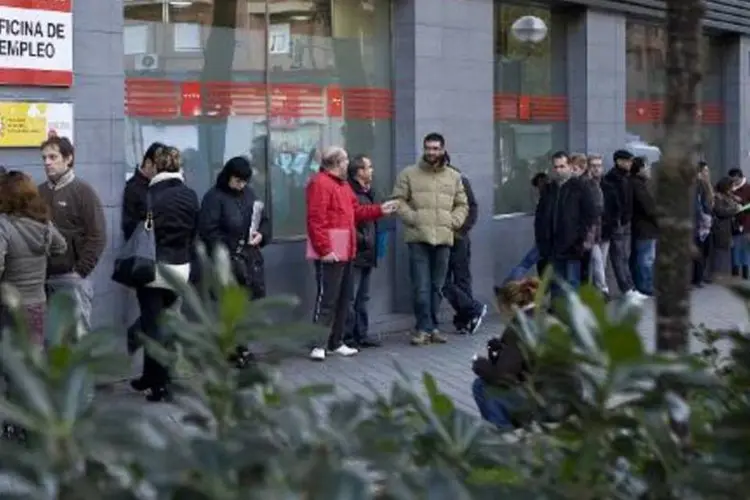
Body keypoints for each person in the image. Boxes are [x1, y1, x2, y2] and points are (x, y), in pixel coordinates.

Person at [306, 146, 397, 361]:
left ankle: (336, 342)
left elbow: (356, 211)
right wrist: (324, 250)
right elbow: (315, 220)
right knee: (327, 298)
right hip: (331, 245)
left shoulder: (343, 185)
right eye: (345, 160)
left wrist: (380, 210)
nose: (349, 163)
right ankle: (318, 344)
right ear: (336, 163)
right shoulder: (320, 183)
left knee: (344, 297)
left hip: (345, 244)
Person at [128, 146, 199, 402]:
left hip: (153, 268)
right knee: (162, 323)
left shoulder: (151, 194)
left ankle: (160, 383)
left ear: (156, 166)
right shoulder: (190, 195)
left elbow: (138, 230)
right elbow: (194, 232)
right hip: (181, 268)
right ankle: (150, 376)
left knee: (153, 326)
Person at [391, 133, 469, 346]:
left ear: (443, 149)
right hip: (418, 238)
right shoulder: (409, 173)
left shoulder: (453, 176)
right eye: (428, 148)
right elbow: (398, 200)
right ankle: (423, 328)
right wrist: (414, 218)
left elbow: (463, 203)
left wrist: (453, 221)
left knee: (437, 286)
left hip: (443, 238)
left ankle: (432, 327)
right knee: (421, 287)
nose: (431, 152)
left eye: (435, 148)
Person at [198, 156, 271, 366]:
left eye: (244, 182)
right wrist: (227, 251)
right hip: (227, 262)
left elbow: (263, 219)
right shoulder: (214, 197)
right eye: (237, 181)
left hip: (249, 260)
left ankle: (242, 347)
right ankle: (233, 351)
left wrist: (261, 235)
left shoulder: (249, 194)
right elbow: (208, 231)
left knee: (247, 308)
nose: (241, 186)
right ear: (228, 177)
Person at [38, 136, 106, 338]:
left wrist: (81, 270)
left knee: (77, 339)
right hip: (44, 279)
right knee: (51, 342)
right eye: (44, 158)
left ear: (68, 159)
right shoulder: (39, 192)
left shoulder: (83, 191)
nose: (47, 162)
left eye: (53, 157)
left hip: (72, 278)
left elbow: (98, 235)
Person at [0, 171, 67, 345]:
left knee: (11, 365)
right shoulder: (43, 223)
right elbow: (61, 247)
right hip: (38, 304)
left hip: (9, 308)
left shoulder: (4, 225)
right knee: (32, 364)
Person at [471, 278, 539, 431]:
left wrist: (479, 364)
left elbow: (503, 376)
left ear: (508, 306)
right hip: (557, 397)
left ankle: (502, 432)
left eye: (501, 309)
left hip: (538, 400)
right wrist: (502, 348)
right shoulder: (543, 315)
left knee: (481, 386)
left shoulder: (519, 327)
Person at [122, 142, 166, 355]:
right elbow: (129, 226)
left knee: (160, 311)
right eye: (158, 167)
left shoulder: (160, 186)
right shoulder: (134, 188)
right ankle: (136, 338)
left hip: (164, 256)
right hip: (143, 257)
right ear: (147, 163)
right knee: (152, 312)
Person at [534, 151, 596, 294]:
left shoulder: (580, 187)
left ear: (569, 166)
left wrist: (580, 241)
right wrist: (541, 240)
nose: (559, 170)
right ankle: (558, 313)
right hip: (551, 247)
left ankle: (570, 315)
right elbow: (540, 216)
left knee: (571, 283)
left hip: (572, 246)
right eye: (556, 167)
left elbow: (590, 215)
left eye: (562, 166)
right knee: (556, 284)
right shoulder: (549, 189)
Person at [442, 152, 486, 335]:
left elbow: (473, 207)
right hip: (439, 237)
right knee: (443, 281)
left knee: (461, 279)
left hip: (458, 238)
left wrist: (461, 231)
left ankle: (466, 317)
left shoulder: (459, 179)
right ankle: (471, 311)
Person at [344, 155, 382, 348]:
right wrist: (364, 239)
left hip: (368, 251)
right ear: (359, 171)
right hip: (356, 251)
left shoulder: (369, 192)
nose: (372, 170)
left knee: (363, 297)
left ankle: (362, 333)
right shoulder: (350, 191)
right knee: (351, 296)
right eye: (369, 167)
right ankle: (347, 337)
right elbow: (349, 221)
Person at [501, 172, 548, 284]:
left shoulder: (543, 200)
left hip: (542, 240)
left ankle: (508, 284)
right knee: (527, 264)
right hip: (547, 241)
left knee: (527, 264)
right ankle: (508, 284)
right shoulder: (549, 199)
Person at [630, 157, 658, 296]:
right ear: (640, 169)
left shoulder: (643, 184)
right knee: (645, 259)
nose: (649, 170)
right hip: (644, 228)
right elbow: (648, 207)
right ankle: (645, 286)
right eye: (646, 167)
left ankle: (647, 284)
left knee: (646, 258)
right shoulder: (637, 184)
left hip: (648, 228)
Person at [584, 154, 608, 297]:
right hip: (590, 232)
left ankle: (599, 290)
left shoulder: (605, 184)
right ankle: (602, 289)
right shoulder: (586, 184)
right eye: (593, 165)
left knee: (600, 263)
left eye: (599, 165)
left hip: (603, 231)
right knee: (596, 261)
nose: (596, 169)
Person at [711, 177, 742, 282]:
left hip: (730, 227)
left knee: (728, 250)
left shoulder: (729, 196)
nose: (733, 188)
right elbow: (720, 211)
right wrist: (735, 209)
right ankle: (718, 274)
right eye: (731, 186)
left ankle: (724, 273)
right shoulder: (717, 197)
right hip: (721, 227)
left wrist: (737, 205)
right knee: (720, 251)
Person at [693, 161, 714, 287]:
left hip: (707, 222)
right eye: (705, 171)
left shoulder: (707, 185)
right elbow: (698, 204)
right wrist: (704, 217)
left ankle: (701, 276)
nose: (707, 173)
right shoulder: (697, 185)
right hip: (700, 223)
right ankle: (697, 278)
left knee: (705, 251)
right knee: (699, 251)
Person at [728, 168, 750, 278]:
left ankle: (745, 272)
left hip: (746, 222)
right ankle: (735, 271)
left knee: (745, 248)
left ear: (740, 177)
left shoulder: (748, 188)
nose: (734, 182)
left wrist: (740, 202)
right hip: (734, 222)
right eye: (732, 180)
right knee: (735, 247)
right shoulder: (730, 189)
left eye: (735, 180)